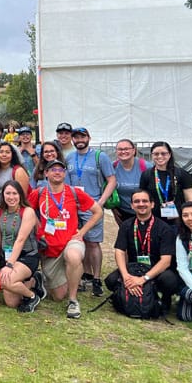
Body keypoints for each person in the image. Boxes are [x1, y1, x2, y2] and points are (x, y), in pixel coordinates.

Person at [27, 159, 102, 319]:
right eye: (53, 169)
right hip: (49, 247)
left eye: (61, 170)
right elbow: (27, 210)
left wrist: (82, 232)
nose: (57, 172)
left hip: (71, 241)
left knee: (73, 257)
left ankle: (73, 300)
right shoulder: (39, 193)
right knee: (57, 296)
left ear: (65, 173)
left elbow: (97, 211)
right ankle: (47, 279)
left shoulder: (74, 192)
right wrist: (38, 226)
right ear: (46, 173)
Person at [104, 190, 180, 312]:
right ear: (132, 205)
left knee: (169, 281)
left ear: (152, 204)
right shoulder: (126, 225)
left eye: (145, 201)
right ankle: (131, 293)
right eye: (137, 201)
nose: (141, 204)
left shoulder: (164, 228)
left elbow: (166, 261)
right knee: (111, 281)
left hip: (157, 270)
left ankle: (162, 298)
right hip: (135, 268)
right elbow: (119, 251)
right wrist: (126, 277)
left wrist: (143, 279)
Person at [65, 127, 116, 297]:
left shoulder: (99, 156)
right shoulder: (70, 157)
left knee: (93, 243)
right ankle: (85, 274)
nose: (79, 139)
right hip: (74, 206)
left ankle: (96, 277)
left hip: (91, 205)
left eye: (82, 136)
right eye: (76, 137)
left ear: (89, 137)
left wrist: (100, 202)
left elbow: (111, 180)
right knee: (79, 240)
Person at [0, 181, 45, 312]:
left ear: (20, 195)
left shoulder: (27, 212)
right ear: (2, 195)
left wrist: (9, 266)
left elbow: (20, 240)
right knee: (11, 303)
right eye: (7, 193)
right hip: (7, 256)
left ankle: (32, 296)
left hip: (26, 256)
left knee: (6, 282)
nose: (11, 197)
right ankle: (33, 282)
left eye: (15, 193)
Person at [139, 141, 192, 228]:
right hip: (154, 221)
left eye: (163, 153)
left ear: (169, 154)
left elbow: (190, 200)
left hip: (178, 221)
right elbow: (142, 197)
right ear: (152, 155)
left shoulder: (182, 174)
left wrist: (189, 217)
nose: (160, 156)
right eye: (156, 154)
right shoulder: (146, 174)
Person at [111, 139, 151, 226]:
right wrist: (113, 209)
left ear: (134, 151)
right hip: (123, 212)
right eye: (120, 149)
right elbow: (107, 189)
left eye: (126, 149)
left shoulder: (146, 167)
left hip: (144, 210)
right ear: (116, 152)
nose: (123, 152)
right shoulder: (112, 167)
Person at [0, 142, 31, 209]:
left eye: (7, 152)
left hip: (13, 211)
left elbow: (23, 196)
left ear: (12, 155)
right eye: (1, 152)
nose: (4, 155)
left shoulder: (18, 171)